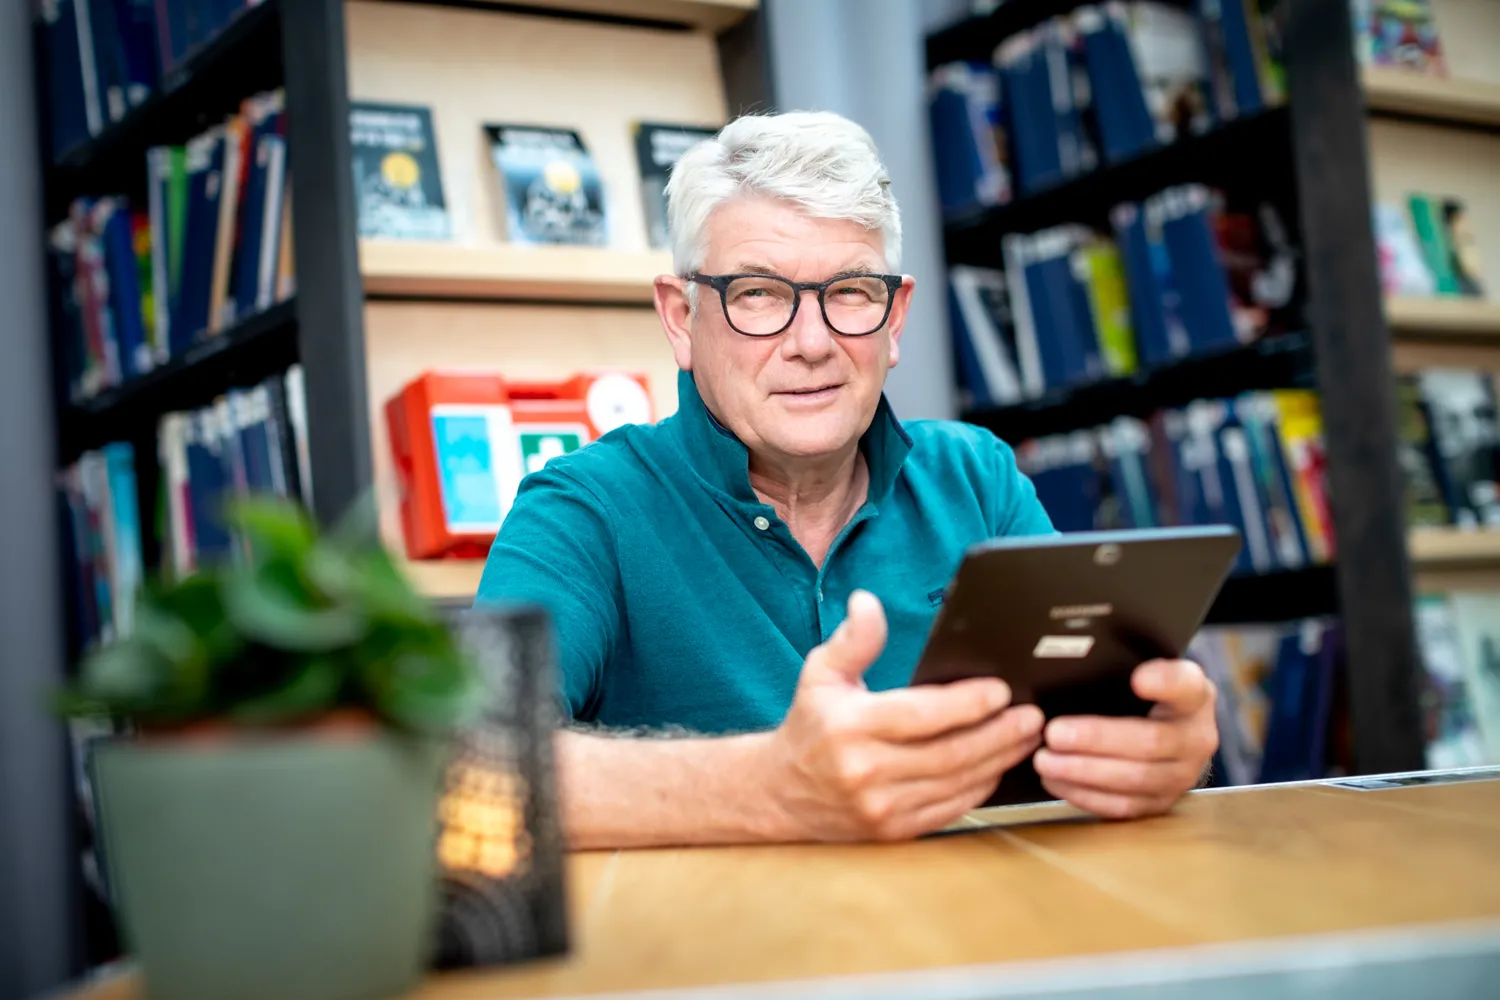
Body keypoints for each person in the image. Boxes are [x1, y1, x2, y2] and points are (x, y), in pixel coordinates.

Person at [475, 111, 1218, 849]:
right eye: (758, 294)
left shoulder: (978, 480)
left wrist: (1157, 743)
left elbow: (1096, 715)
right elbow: (469, 763)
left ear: (895, 320)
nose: (811, 344)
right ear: (680, 318)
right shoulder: (583, 510)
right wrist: (769, 787)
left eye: (851, 292)